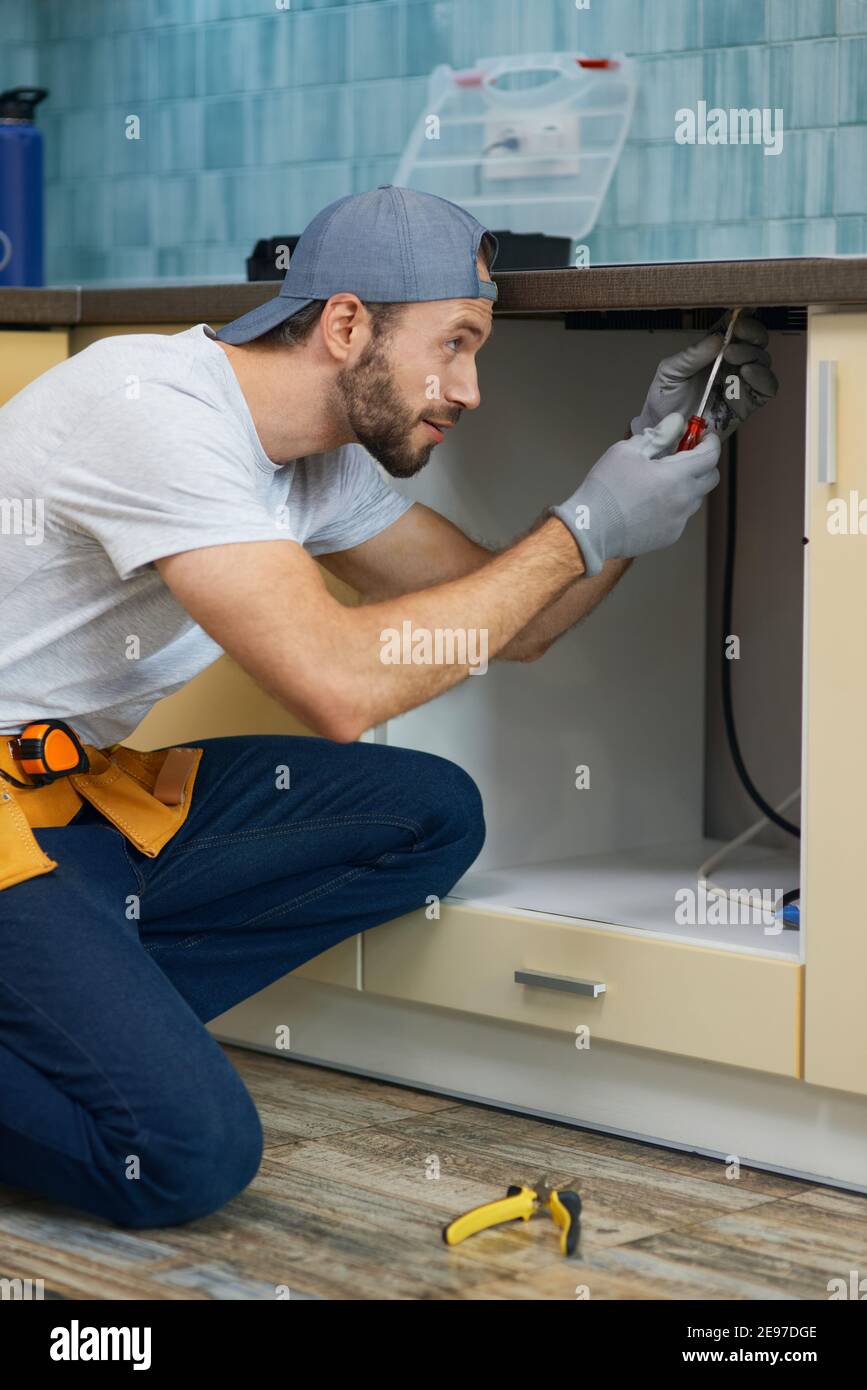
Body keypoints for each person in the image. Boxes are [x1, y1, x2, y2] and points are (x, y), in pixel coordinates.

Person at [0, 185, 778, 1229]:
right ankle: (95, 1033)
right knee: (188, 1152)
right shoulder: (154, 409)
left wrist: (641, 476)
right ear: (347, 324)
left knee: (431, 813)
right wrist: (581, 523)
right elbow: (339, 684)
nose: (469, 388)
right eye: (454, 344)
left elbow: (519, 621)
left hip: (67, 809)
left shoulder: (316, 467)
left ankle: (80, 1012)